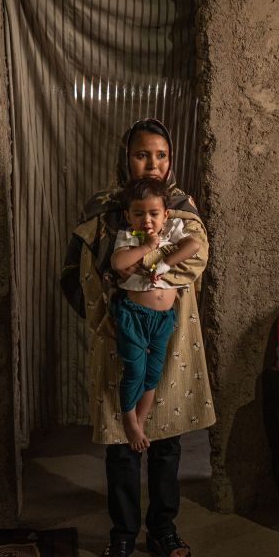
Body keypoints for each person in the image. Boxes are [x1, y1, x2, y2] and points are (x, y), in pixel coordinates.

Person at [61, 119, 214, 557]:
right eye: (142, 154)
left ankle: (163, 528)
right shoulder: (106, 208)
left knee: (167, 438)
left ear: (171, 160)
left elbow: (194, 260)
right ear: (125, 158)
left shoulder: (181, 209)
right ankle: (123, 532)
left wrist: (141, 263)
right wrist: (119, 291)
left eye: (161, 155)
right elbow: (88, 270)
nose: (152, 164)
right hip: (119, 329)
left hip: (171, 334)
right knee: (121, 439)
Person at [109, 176, 200, 452]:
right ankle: (129, 420)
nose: (146, 220)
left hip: (163, 319)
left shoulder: (172, 230)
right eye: (139, 214)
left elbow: (194, 246)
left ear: (166, 214)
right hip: (133, 315)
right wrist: (148, 246)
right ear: (128, 216)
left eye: (154, 213)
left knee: (153, 373)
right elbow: (118, 262)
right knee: (135, 370)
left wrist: (165, 263)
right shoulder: (129, 236)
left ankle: (140, 419)